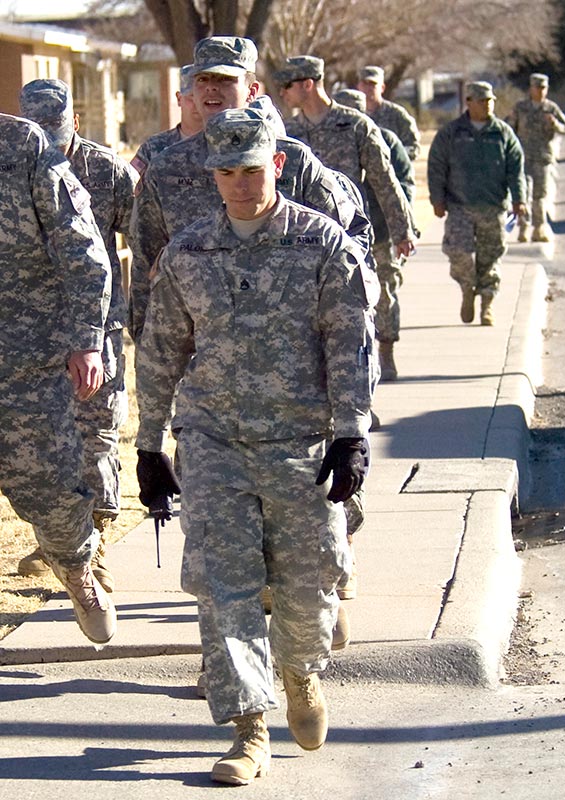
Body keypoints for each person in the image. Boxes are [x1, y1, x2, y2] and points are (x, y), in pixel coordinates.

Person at [135, 106, 379, 785]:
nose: (240, 185)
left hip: (301, 444)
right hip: (214, 442)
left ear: (276, 165)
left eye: (252, 170)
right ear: (212, 176)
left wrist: (350, 432)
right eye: (226, 173)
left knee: (308, 588)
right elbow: (160, 350)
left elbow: (350, 346)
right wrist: (150, 445)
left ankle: (300, 673)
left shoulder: (322, 244)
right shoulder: (188, 252)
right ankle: (249, 728)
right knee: (225, 590)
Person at [128, 36, 372, 344]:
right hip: (204, 351)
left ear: (252, 90)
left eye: (225, 80)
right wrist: (145, 336)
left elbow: (352, 236)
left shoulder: (293, 160)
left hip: (290, 351)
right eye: (203, 79)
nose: (211, 88)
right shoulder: (167, 168)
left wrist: (340, 316)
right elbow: (145, 260)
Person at [17, 78, 139, 590]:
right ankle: (58, 542)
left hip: (97, 328)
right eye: (38, 134)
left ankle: (98, 539)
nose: (49, 146)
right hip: (29, 333)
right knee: (40, 440)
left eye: (57, 135)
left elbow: (145, 236)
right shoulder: (13, 166)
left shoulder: (106, 170)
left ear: (76, 125)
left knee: (96, 434)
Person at [0, 111, 115, 644]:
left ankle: (76, 570)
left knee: (49, 489)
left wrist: (87, 337)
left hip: (26, 360)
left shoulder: (21, 145)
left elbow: (82, 248)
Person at [277, 56, 416, 381]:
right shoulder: (289, 131)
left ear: (307, 84)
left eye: (287, 86)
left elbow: (385, 180)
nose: (282, 93)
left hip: (348, 239)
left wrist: (401, 229)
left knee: (354, 320)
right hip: (300, 243)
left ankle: (369, 388)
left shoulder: (355, 125)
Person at [428, 81, 526, 326]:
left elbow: (516, 169)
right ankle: (466, 289)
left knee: (490, 257)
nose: (487, 104)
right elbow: (437, 167)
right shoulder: (451, 133)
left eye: (490, 100)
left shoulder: (502, 133)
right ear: (468, 102)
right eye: (482, 100)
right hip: (460, 206)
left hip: (493, 207)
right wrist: (437, 199)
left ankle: (487, 303)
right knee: (458, 252)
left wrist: (519, 199)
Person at [335, 87, 416, 381]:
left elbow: (402, 185)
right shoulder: (324, 142)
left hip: (380, 232)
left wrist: (402, 228)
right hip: (343, 234)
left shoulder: (384, 141)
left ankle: (387, 350)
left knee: (384, 293)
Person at [507, 72, 565, 242]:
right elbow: (509, 128)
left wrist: (554, 123)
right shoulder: (521, 108)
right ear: (531, 88)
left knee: (540, 195)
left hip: (543, 158)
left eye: (543, 88)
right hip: (523, 158)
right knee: (524, 194)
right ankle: (524, 229)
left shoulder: (550, 108)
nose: (541, 91)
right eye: (538, 87)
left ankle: (539, 229)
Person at [130, 64, 204, 179]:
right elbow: (130, 183)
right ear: (179, 99)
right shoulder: (154, 148)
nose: (198, 103)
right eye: (192, 97)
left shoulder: (223, 146)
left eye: (203, 97)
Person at [357, 65, 421, 161]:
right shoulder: (353, 115)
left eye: (372, 84)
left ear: (382, 88)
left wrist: (393, 156)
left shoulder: (397, 115)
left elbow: (413, 148)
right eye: (364, 83)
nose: (368, 88)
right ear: (358, 86)